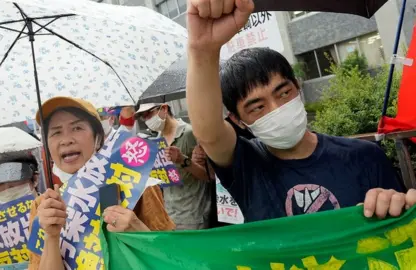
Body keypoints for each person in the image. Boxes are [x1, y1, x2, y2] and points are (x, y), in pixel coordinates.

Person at [185, 0, 416, 222]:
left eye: (283, 93)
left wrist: (395, 205)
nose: (277, 109)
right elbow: (209, 132)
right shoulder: (245, 165)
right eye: (257, 107)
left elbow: (398, 231)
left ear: (298, 87)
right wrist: (202, 49)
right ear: (238, 120)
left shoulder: (365, 156)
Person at [28, 97, 174, 270]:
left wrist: (139, 233)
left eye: (77, 128)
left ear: (98, 137)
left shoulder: (137, 186)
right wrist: (51, 237)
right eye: (56, 132)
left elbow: (170, 259)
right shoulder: (43, 207)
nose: (66, 140)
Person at [136, 103, 213, 230]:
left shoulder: (190, 134)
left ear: (164, 109)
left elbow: (208, 175)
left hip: (193, 213)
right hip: (169, 213)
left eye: (149, 113)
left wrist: (182, 159)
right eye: (143, 117)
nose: (147, 120)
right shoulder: (156, 141)